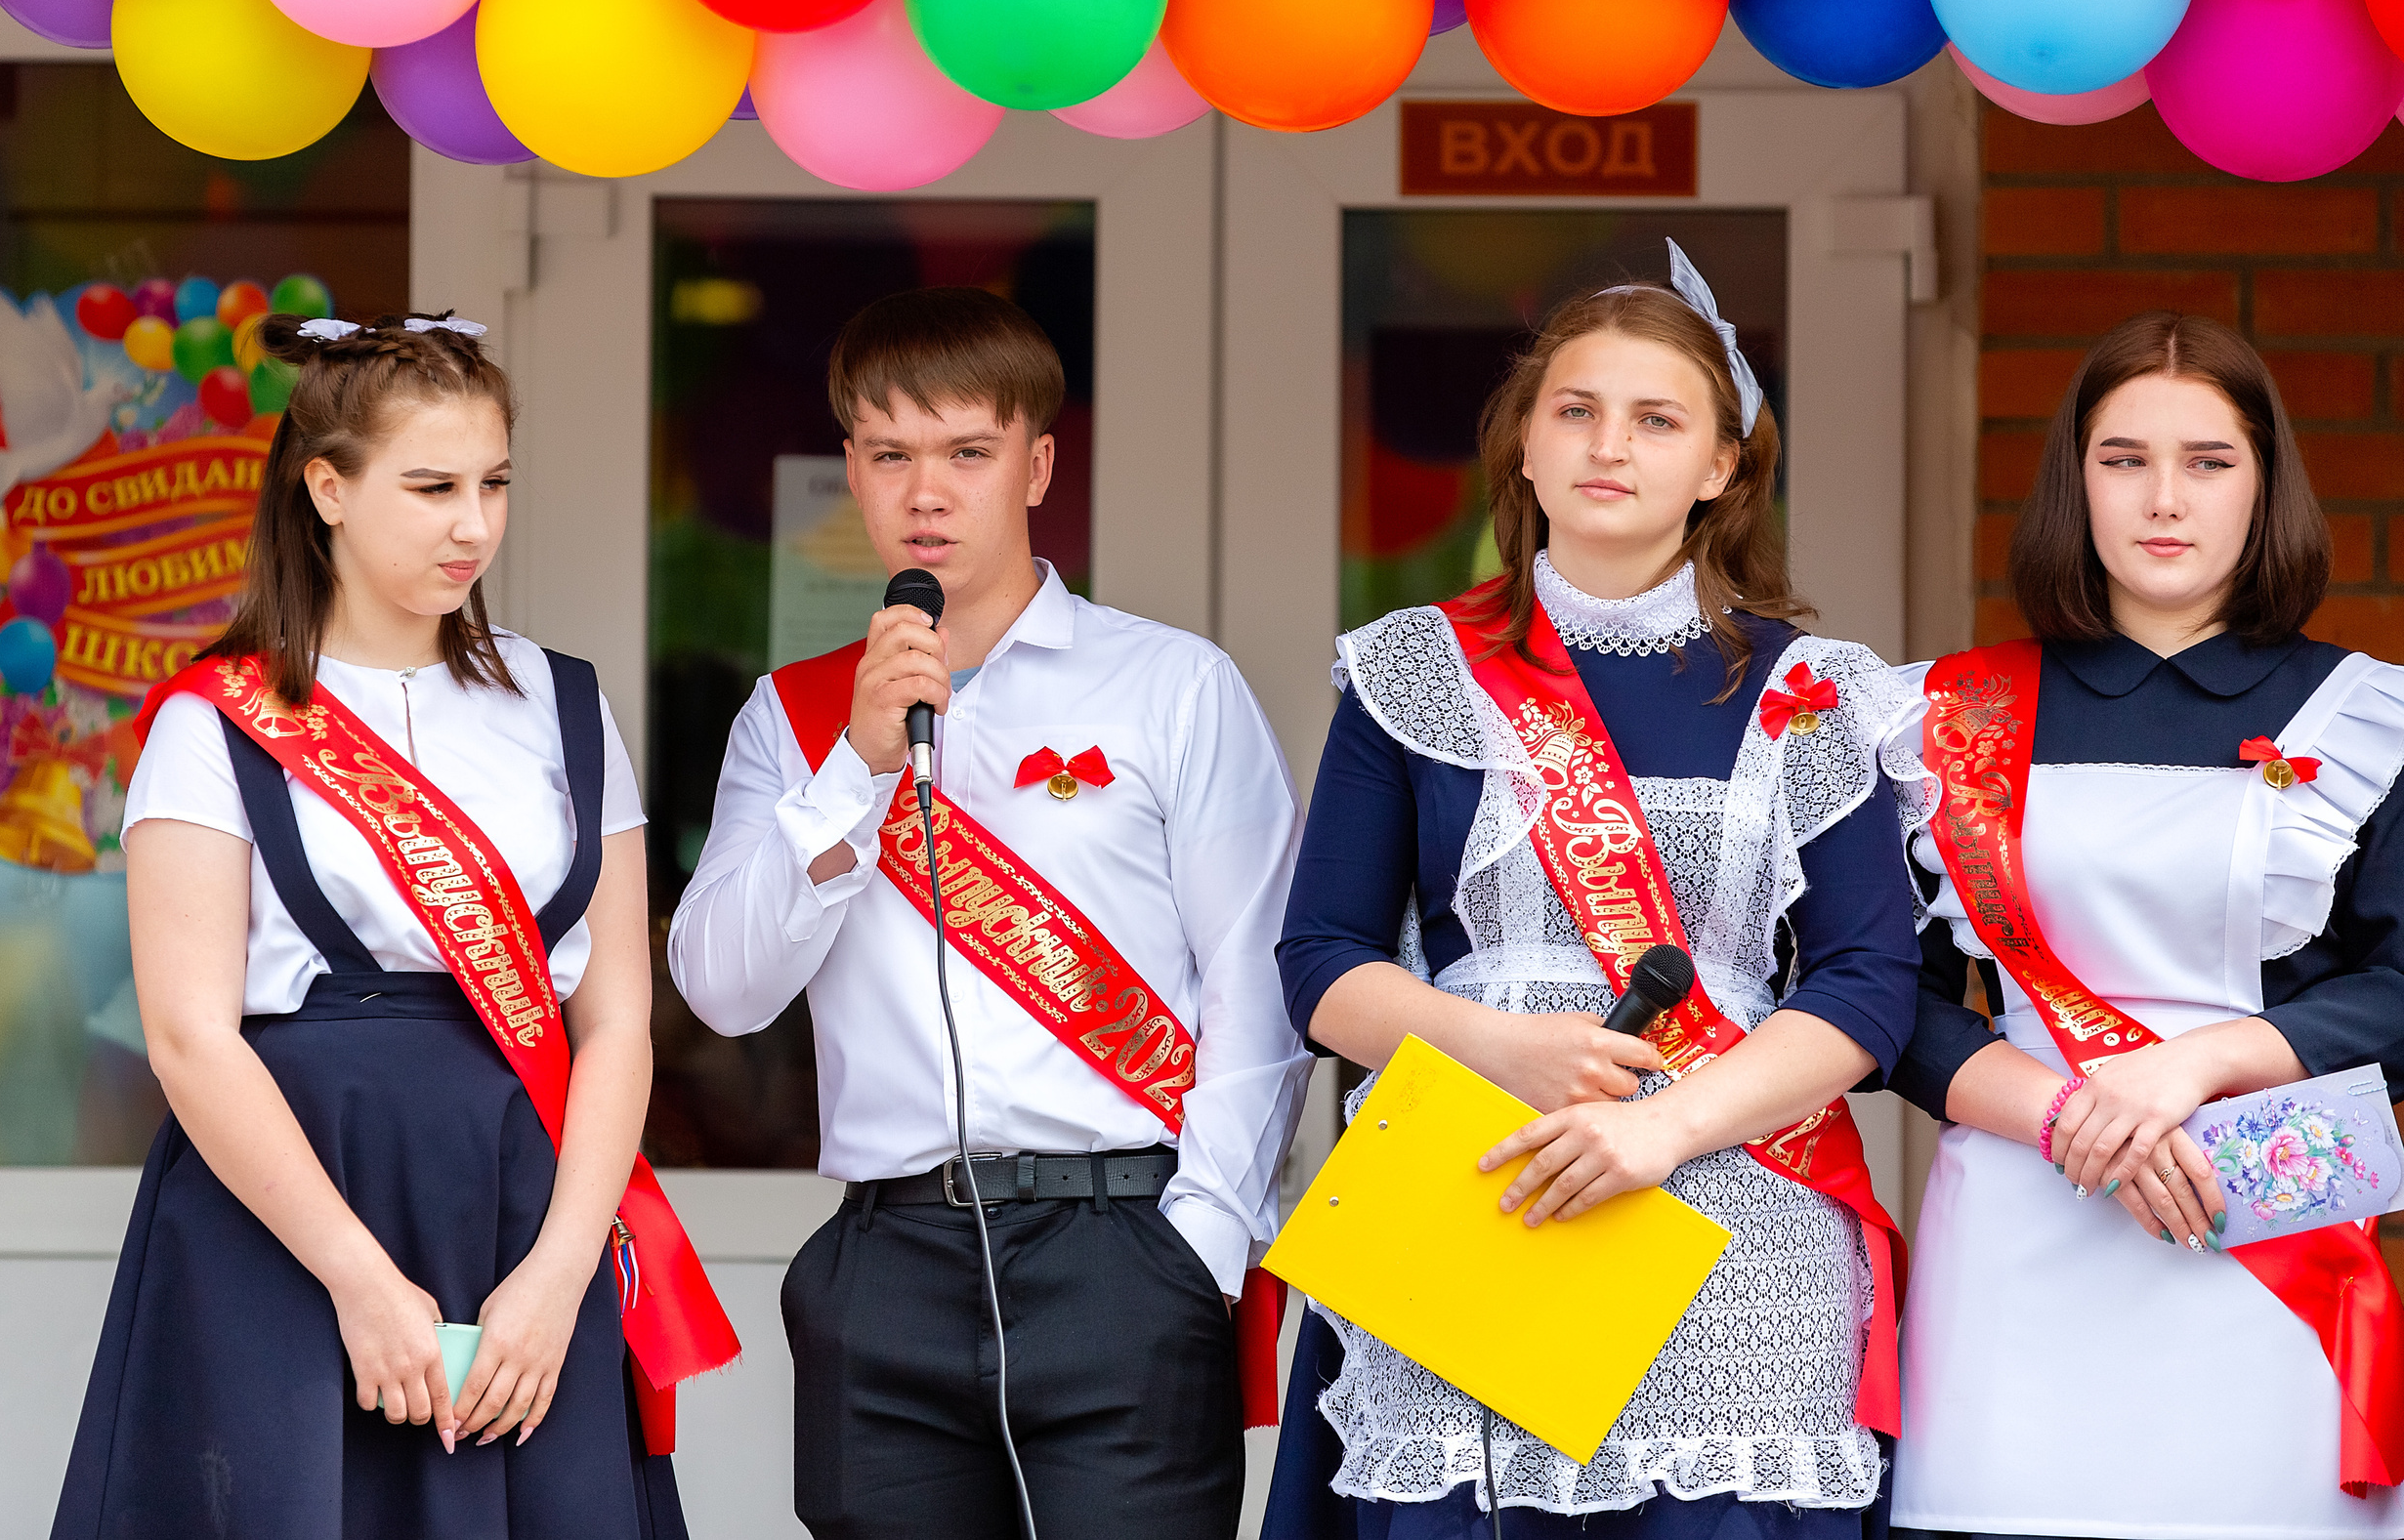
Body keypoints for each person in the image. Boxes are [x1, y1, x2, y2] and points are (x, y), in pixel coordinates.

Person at [1265, 241, 1926, 1539]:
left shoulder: (1813, 692)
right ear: (1525, 445)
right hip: (1477, 1184)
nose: (1608, 444)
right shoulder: (1414, 667)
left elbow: (1868, 985)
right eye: (1575, 409)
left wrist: (1662, 1130)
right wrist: (1497, 1043)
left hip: (1737, 1227)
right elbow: (1320, 963)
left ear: (1722, 465)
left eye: (1657, 419)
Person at [52, 312, 729, 1540]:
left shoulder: (564, 705)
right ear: (327, 489)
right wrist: (358, 1280)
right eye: (431, 488)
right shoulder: (211, 724)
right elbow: (190, 1037)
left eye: (493, 484)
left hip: (529, 1200)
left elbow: (618, 1020)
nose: (474, 525)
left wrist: (561, 1273)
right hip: (291, 1209)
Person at [667, 285, 1312, 1539]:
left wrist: (1199, 1246)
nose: (927, 492)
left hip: (1123, 1243)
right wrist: (854, 769)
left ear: (1037, 466)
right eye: (889, 455)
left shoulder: (1170, 684)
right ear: (851, 471)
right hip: (888, 1257)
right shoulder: (794, 718)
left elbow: (1259, 985)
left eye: (968, 452)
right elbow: (721, 990)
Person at [1886, 312, 2404, 1540]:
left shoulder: (2366, 714)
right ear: (2073, 482)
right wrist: (2063, 1112)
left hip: (2264, 1238)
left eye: (2207, 461)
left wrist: (2193, 1065)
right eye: (2122, 459)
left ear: (2264, 484)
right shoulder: (1940, 716)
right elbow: (1879, 996)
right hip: (2016, 1231)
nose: (2163, 498)